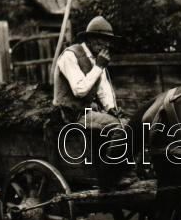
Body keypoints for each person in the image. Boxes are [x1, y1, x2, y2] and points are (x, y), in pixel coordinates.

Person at [52, 16, 131, 189]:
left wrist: (111, 109)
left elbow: (103, 89)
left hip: (87, 113)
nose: (107, 44)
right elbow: (79, 90)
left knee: (129, 123)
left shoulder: (96, 59)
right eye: (103, 39)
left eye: (109, 41)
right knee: (122, 128)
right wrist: (99, 66)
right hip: (71, 114)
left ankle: (122, 169)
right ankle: (111, 175)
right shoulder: (70, 56)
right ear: (90, 39)